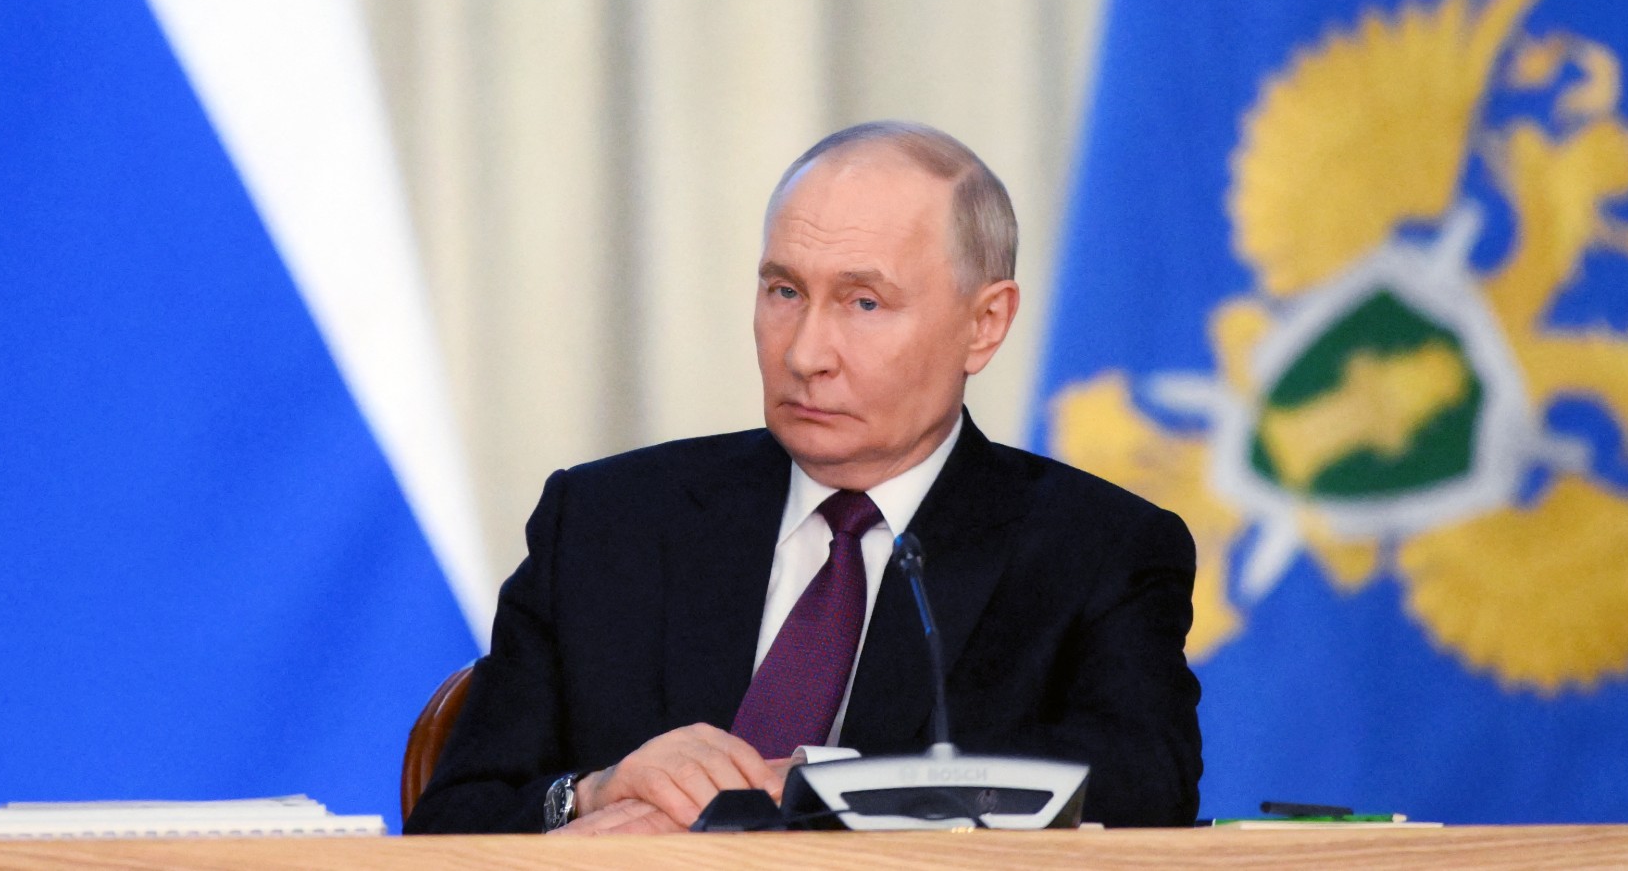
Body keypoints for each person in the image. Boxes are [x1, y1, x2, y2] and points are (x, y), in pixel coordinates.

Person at [405, 122, 1200, 835]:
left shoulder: (1096, 550)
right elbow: (456, 816)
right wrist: (596, 789)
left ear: (983, 323)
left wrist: (832, 789)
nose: (805, 351)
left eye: (863, 302)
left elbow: (1141, 789)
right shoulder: (607, 521)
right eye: (784, 291)